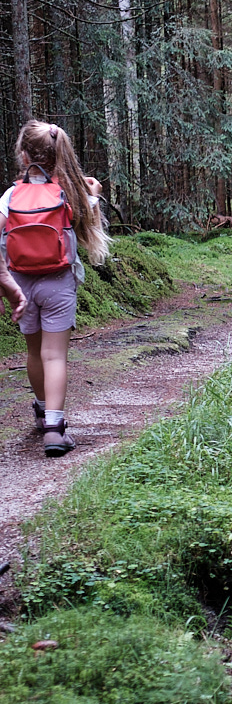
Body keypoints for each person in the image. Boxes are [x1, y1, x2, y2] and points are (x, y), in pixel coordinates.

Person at [0, 120, 108, 457]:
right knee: (55, 355)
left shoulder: (11, 195)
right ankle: (54, 428)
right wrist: (94, 195)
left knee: (34, 353)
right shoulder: (69, 193)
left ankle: (42, 409)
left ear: (23, 156)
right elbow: (88, 224)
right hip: (59, 283)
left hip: (20, 283)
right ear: (61, 154)